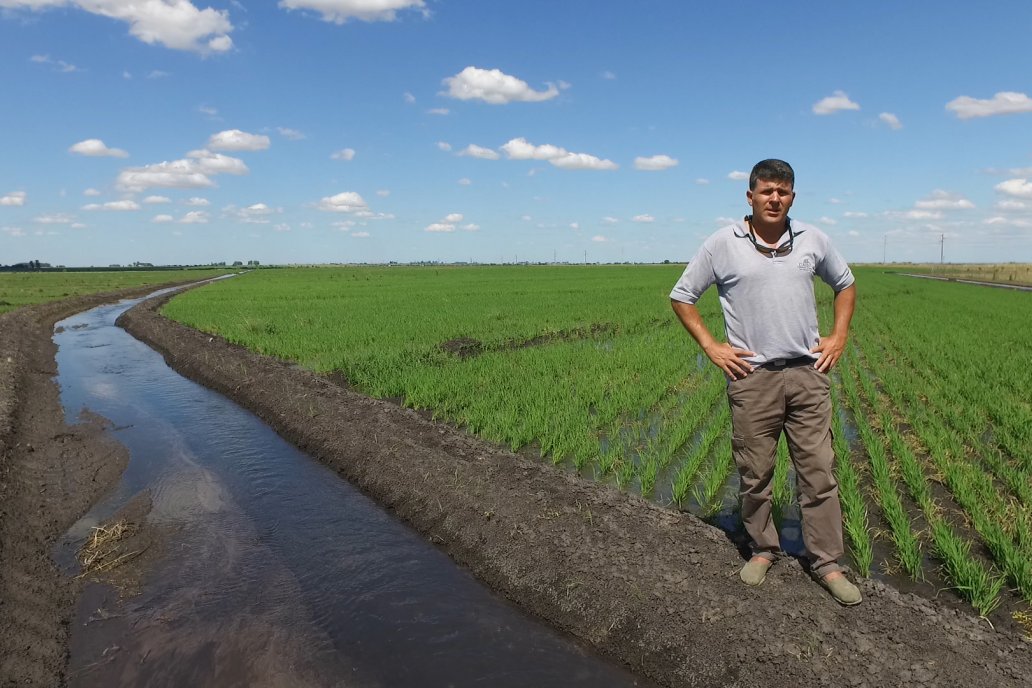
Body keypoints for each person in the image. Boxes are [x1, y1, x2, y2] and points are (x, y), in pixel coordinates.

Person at [669, 159, 860, 606]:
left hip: (808, 375)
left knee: (819, 473)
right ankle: (762, 549)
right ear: (750, 196)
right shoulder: (722, 244)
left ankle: (828, 562)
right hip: (752, 379)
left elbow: (846, 285)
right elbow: (682, 297)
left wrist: (840, 335)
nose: (775, 198)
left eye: (784, 192)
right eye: (767, 191)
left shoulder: (813, 240)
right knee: (756, 474)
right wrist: (712, 347)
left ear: (793, 197)